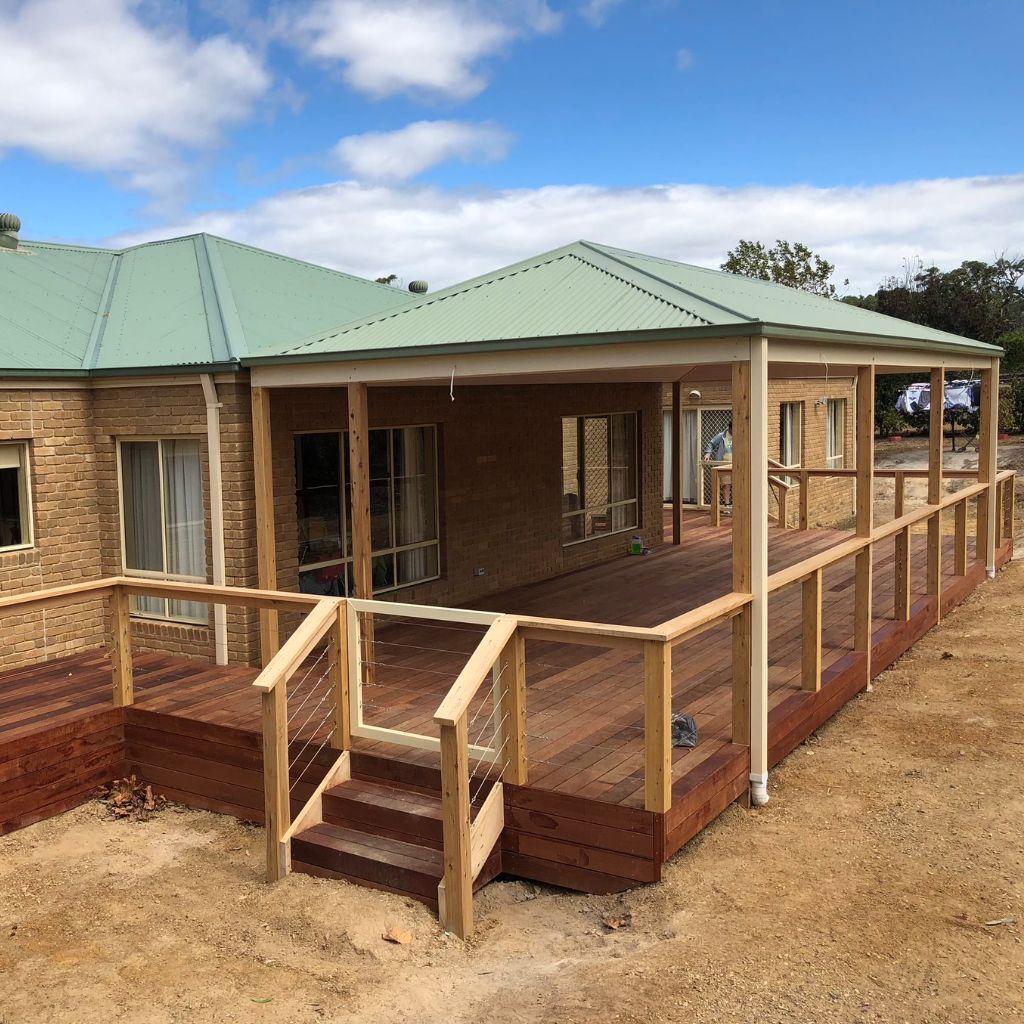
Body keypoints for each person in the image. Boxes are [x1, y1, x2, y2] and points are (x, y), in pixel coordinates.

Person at [703, 418, 733, 507]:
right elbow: (711, 444)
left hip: (737, 465)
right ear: (729, 428)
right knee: (726, 485)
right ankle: (726, 505)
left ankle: (737, 506)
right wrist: (708, 454)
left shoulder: (741, 434)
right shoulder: (722, 436)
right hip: (724, 464)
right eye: (733, 430)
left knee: (738, 484)